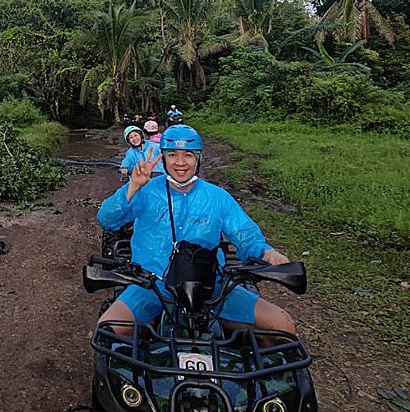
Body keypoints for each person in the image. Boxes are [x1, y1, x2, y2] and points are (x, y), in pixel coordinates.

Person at [97, 124, 295, 338]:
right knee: (107, 330)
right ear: (163, 158)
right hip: (152, 286)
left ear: (198, 158)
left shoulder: (217, 197)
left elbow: (246, 235)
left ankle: (264, 369)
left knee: (281, 325)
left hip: (210, 287)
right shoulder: (145, 191)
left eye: (188, 155)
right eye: (172, 154)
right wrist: (133, 186)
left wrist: (267, 253)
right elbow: (107, 219)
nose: (180, 163)